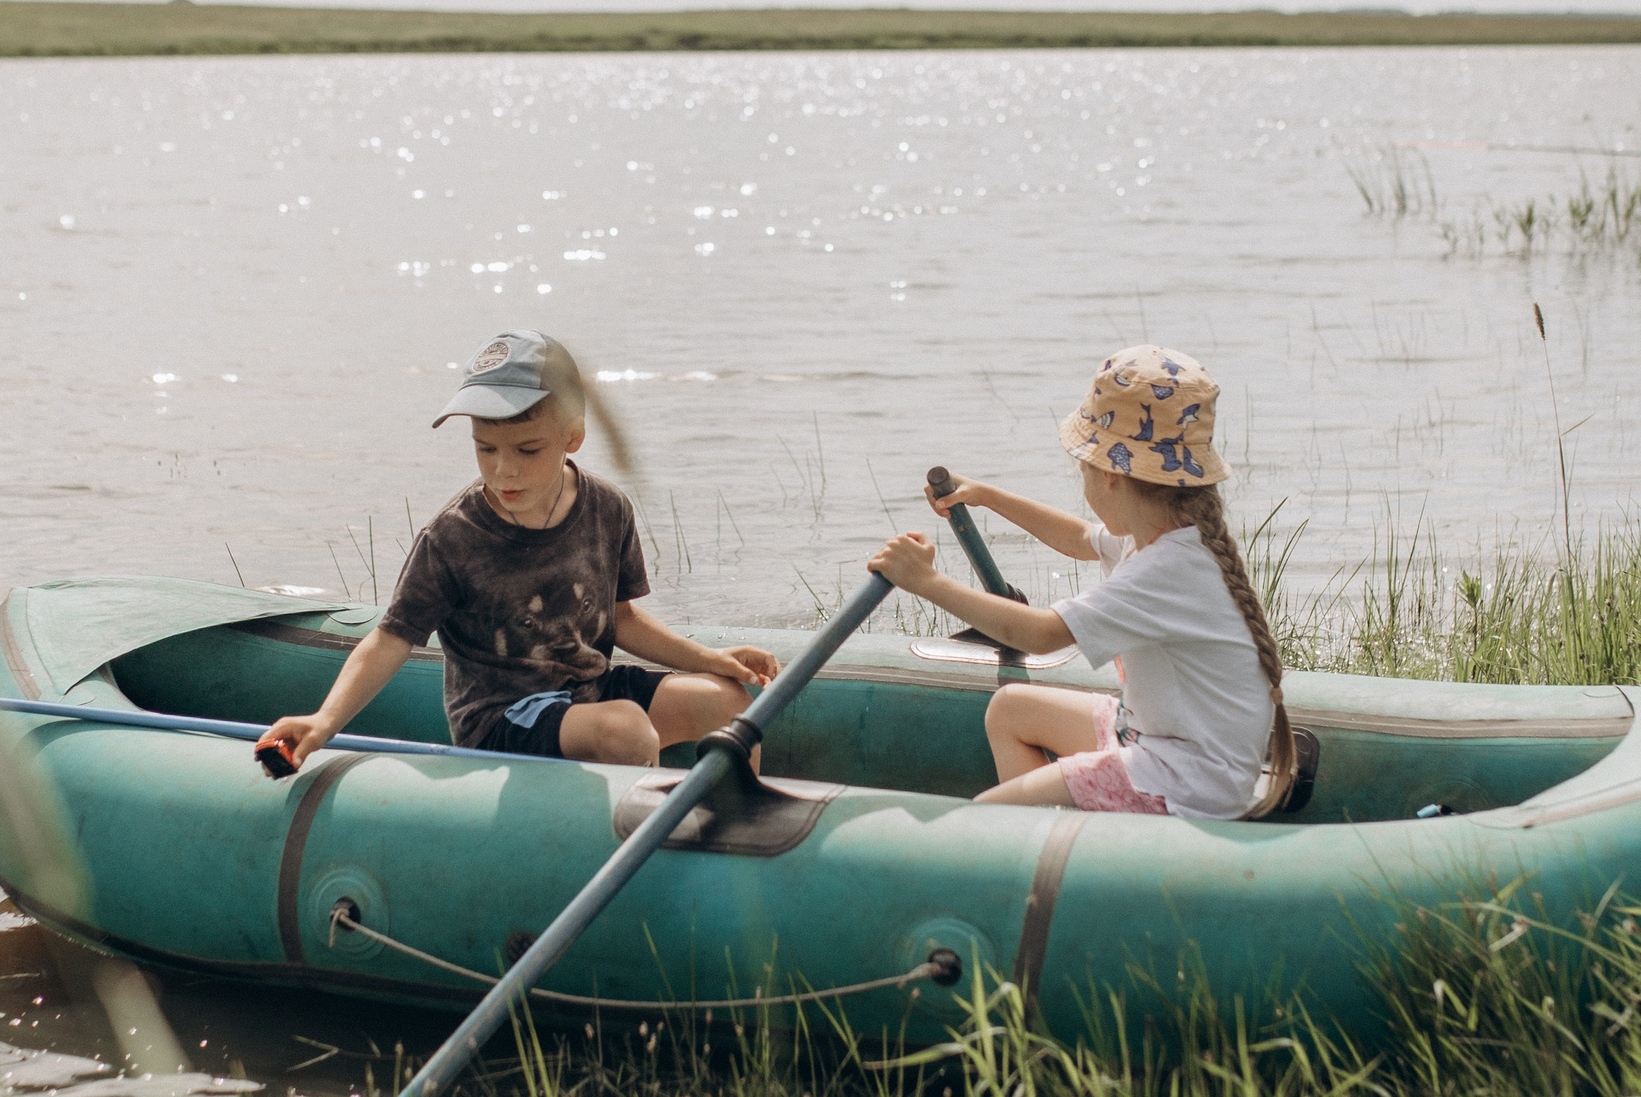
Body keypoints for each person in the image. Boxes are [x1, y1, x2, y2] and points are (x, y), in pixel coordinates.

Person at [255, 330, 780, 771]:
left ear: (572, 436)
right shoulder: (452, 539)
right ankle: (631, 853)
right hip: (503, 720)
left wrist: (709, 659)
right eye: (486, 449)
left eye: (528, 450)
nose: (504, 469)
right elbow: (390, 641)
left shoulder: (608, 508)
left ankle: (733, 827)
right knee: (626, 732)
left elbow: (622, 618)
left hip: (587, 689)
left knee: (728, 703)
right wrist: (324, 721)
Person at [866, 345, 1295, 818]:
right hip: (1159, 740)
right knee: (1010, 710)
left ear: (1111, 476)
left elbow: (1040, 635)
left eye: (1083, 471)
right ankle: (1049, 843)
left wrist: (925, 581)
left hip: (1184, 778)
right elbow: (1076, 537)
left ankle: (1038, 847)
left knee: (981, 818)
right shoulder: (1163, 536)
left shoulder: (1165, 570)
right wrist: (987, 496)